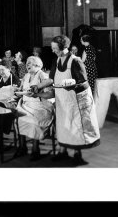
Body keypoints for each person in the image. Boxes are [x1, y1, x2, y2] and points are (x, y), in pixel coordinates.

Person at [32, 35, 100, 166]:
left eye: (55, 48)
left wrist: (72, 85)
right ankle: (62, 152)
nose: (53, 51)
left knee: (76, 127)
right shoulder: (56, 61)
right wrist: (38, 86)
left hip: (75, 100)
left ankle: (77, 155)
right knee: (63, 126)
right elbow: (51, 79)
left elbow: (84, 82)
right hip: (62, 100)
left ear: (64, 47)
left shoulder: (75, 61)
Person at [14, 56, 54, 161]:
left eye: (30, 63)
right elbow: (22, 90)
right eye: (27, 63)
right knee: (17, 119)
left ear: (37, 65)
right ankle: (22, 147)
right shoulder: (26, 76)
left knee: (33, 121)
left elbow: (51, 94)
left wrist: (38, 94)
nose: (27, 65)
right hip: (26, 105)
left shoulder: (42, 75)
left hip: (40, 106)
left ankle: (36, 150)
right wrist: (18, 92)